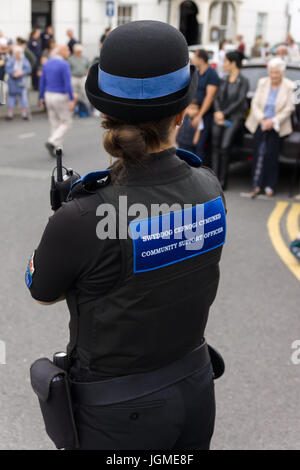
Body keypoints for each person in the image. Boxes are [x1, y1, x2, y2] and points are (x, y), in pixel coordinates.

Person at [26, 21, 227, 450]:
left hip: (118, 417)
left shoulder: (84, 214)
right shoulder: (210, 187)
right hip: (195, 389)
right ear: (181, 112)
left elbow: (42, 291)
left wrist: (66, 217)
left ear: (104, 115)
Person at [245, 57, 295, 197]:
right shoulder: (262, 82)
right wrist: (262, 119)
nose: (273, 76)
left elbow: (289, 108)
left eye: (276, 73)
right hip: (260, 122)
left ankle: (269, 185)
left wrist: (272, 121)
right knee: (258, 154)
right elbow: (255, 104)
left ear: (282, 73)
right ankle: (256, 184)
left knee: (271, 155)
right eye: (272, 72)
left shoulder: (289, 85)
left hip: (277, 124)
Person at [211, 50, 249, 190]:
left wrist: (224, 114)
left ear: (233, 63)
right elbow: (216, 97)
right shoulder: (224, 79)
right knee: (215, 146)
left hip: (234, 117)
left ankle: (223, 180)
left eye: (226, 61)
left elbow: (239, 101)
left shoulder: (243, 81)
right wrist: (218, 112)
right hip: (220, 115)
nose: (223, 64)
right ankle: (213, 179)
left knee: (225, 146)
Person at [39, 44, 75, 156]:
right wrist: (72, 98)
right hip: (60, 95)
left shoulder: (47, 63)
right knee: (66, 122)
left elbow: (42, 81)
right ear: (61, 51)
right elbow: (67, 83)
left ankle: (57, 149)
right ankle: (52, 142)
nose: (69, 51)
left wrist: (41, 97)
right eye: (67, 50)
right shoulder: (64, 64)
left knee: (54, 122)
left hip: (48, 94)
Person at [191, 49, 219, 162]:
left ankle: (200, 174)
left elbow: (209, 97)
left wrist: (200, 115)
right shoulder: (197, 73)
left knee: (200, 146)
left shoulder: (212, 74)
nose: (192, 60)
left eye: (195, 57)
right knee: (190, 144)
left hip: (205, 115)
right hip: (193, 112)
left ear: (201, 59)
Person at [5, 45, 31, 120]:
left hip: (22, 81)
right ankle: (10, 114)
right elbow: (8, 68)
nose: (19, 54)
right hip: (13, 81)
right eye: (17, 52)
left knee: (23, 97)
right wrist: (14, 72)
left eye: (20, 52)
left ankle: (24, 114)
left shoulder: (24, 60)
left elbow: (28, 69)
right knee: (11, 97)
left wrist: (22, 72)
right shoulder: (11, 60)